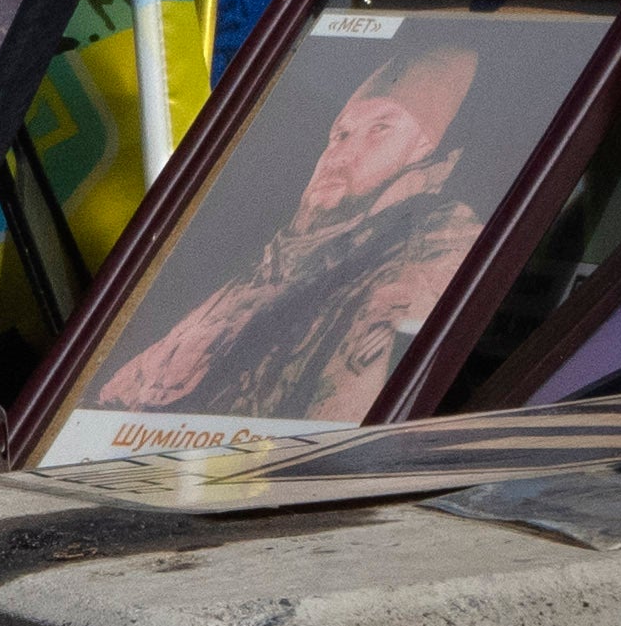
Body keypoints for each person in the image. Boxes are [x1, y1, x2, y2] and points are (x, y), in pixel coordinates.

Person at [60, 27, 506, 430]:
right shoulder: (280, 257)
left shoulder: (427, 248)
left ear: (423, 152)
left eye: (380, 131)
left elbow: (336, 440)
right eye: (341, 135)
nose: (341, 154)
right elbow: (119, 399)